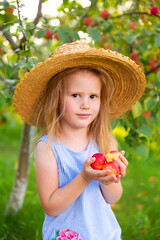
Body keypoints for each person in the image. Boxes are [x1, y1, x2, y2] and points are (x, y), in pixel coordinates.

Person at [13, 41, 146, 240]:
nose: (85, 105)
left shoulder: (103, 141)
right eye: (76, 95)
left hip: (104, 234)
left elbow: (113, 197)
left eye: (93, 96)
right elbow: (51, 206)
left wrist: (112, 177)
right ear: (56, 99)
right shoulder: (48, 147)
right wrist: (84, 177)